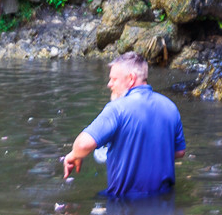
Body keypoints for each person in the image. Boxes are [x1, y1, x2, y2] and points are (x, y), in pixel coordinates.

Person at [63, 53, 186, 198]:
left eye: (114, 79)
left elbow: (83, 145)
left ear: (131, 78)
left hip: (125, 204)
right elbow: (179, 152)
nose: (109, 84)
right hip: (164, 199)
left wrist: (73, 154)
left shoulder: (117, 108)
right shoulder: (170, 107)